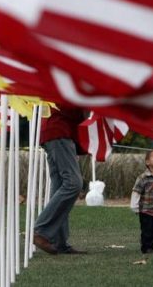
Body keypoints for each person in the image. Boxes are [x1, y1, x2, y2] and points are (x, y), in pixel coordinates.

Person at [33, 105, 88, 255]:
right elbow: (72, 108)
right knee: (73, 183)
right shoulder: (68, 81)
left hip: (53, 131)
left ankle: (59, 243)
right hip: (59, 131)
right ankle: (41, 231)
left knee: (59, 186)